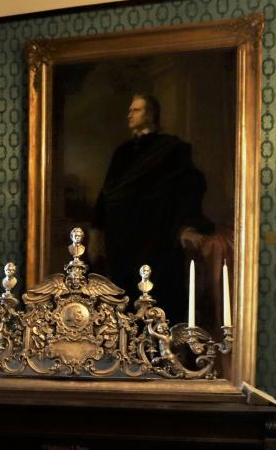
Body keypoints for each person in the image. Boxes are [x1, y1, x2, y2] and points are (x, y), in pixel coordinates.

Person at [91, 93, 215, 316]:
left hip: (154, 237)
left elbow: (189, 187)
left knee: (157, 300)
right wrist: (96, 230)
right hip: (120, 240)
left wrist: (185, 227)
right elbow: (106, 192)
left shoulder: (170, 149)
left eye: (136, 110)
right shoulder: (122, 152)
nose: (130, 114)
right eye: (129, 110)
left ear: (150, 115)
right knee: (123, 300)